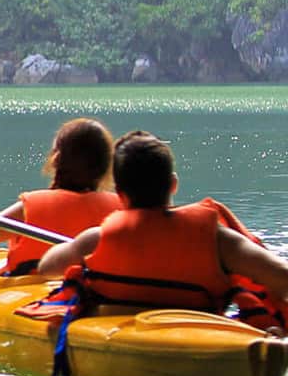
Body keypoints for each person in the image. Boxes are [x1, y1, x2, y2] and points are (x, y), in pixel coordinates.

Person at [38, 132, 288, 313]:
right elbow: (282, 277)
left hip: (122, 337)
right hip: (204, 344)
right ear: (173, 185)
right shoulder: (218, 241)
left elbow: (47, 267)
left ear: (121, 196)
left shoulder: (98, 238)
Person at [0, 118, 119, 276]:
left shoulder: (31, 207)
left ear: (55, 160)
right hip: (98, 295)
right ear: (106, 167)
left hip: (29, 291)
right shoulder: (121, 209)